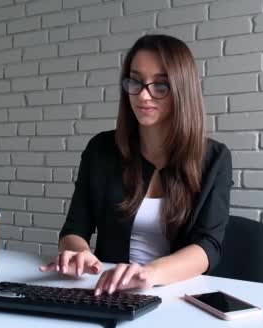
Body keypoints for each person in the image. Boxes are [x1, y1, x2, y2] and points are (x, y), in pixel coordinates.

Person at [39, 34, 233, 296]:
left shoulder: (214, 158)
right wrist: (78, 253)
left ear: (182, 90)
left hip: (177, 293)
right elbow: (73, 230)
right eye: (136, 81)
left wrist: (149, 273)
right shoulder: (101, 150)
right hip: (108, 290)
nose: (143, 95)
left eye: (160, 85)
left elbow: (207, 247)